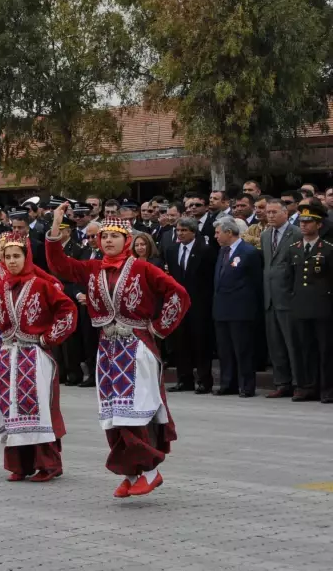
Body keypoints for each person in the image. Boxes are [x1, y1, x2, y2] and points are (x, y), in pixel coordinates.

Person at [45, 204, 190, 498]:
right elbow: (59, 265)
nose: (109, 240)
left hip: (137, 349)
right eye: (105, 236)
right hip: (107, 350)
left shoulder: (142, 268)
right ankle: (131, 473)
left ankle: (150, 472)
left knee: (134, 412)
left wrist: (159, 328)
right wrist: (56, 226)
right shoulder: (92, 268)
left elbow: (178, 293)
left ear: (127, 240)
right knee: (113, 414)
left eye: (115, 236)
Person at [0, 234, 77, 481]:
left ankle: (48, 464)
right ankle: (20, 465)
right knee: (9, 406)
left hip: (34, 355)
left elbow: (67, 310)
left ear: (27, 258)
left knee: (36, 407)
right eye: (8, 257)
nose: (12, 261)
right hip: (7, 355)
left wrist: (48, 338)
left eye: (17, 256)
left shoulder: (42, 285)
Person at [282, 201, 333, 403]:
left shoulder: (328, 249)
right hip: (300, 306)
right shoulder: (293, 249)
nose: (303, 225)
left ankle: (327, 388)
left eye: (309, 221)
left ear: (319, 224)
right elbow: (288, 278)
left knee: (325, 350)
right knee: (303, 348)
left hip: (323, 307)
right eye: (302, 221)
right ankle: (307, 387)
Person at [163, 217, 217, 394]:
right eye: (178, 230)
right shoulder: (172, 250)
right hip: (179, 304)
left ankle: (204, 380)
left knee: (200, 343)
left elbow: (209, 279)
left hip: (199, 304)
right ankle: (184, 379)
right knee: (180, 342)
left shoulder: (205, 250)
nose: (180, 234)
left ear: (193, 232)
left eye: (184, 230)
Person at [211, 216, 262, 397]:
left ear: (229, 232)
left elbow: (256, 282)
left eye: (218, 233)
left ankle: (247, 385)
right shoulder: (222, 251)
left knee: (243, 350)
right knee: (225, 350)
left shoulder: (248, 252)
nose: (215, 236)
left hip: (241, 310)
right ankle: (228, 384)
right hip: (222, 308)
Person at [261, 198, 301, 398]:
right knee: (275, 344)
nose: (270, 215)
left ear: (285, 213)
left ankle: (299, 383)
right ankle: (282, 382)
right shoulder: (265, 235)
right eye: (268, 212)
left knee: (293, 344)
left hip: (288, 297)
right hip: (270, 298)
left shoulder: (297, 233)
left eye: (274, 212)